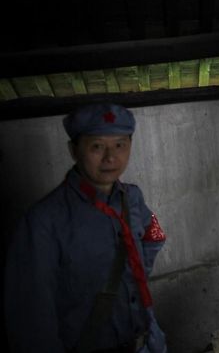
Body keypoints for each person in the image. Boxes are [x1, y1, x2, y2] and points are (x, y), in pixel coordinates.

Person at [4, 104, 167, 353]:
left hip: (147, 342)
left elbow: (153, 233)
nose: (110, 157)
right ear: (74, 150)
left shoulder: (132, 198)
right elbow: (32, 321)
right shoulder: (44, 221)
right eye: (97, 146)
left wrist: (135, 273)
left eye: (120, 144)